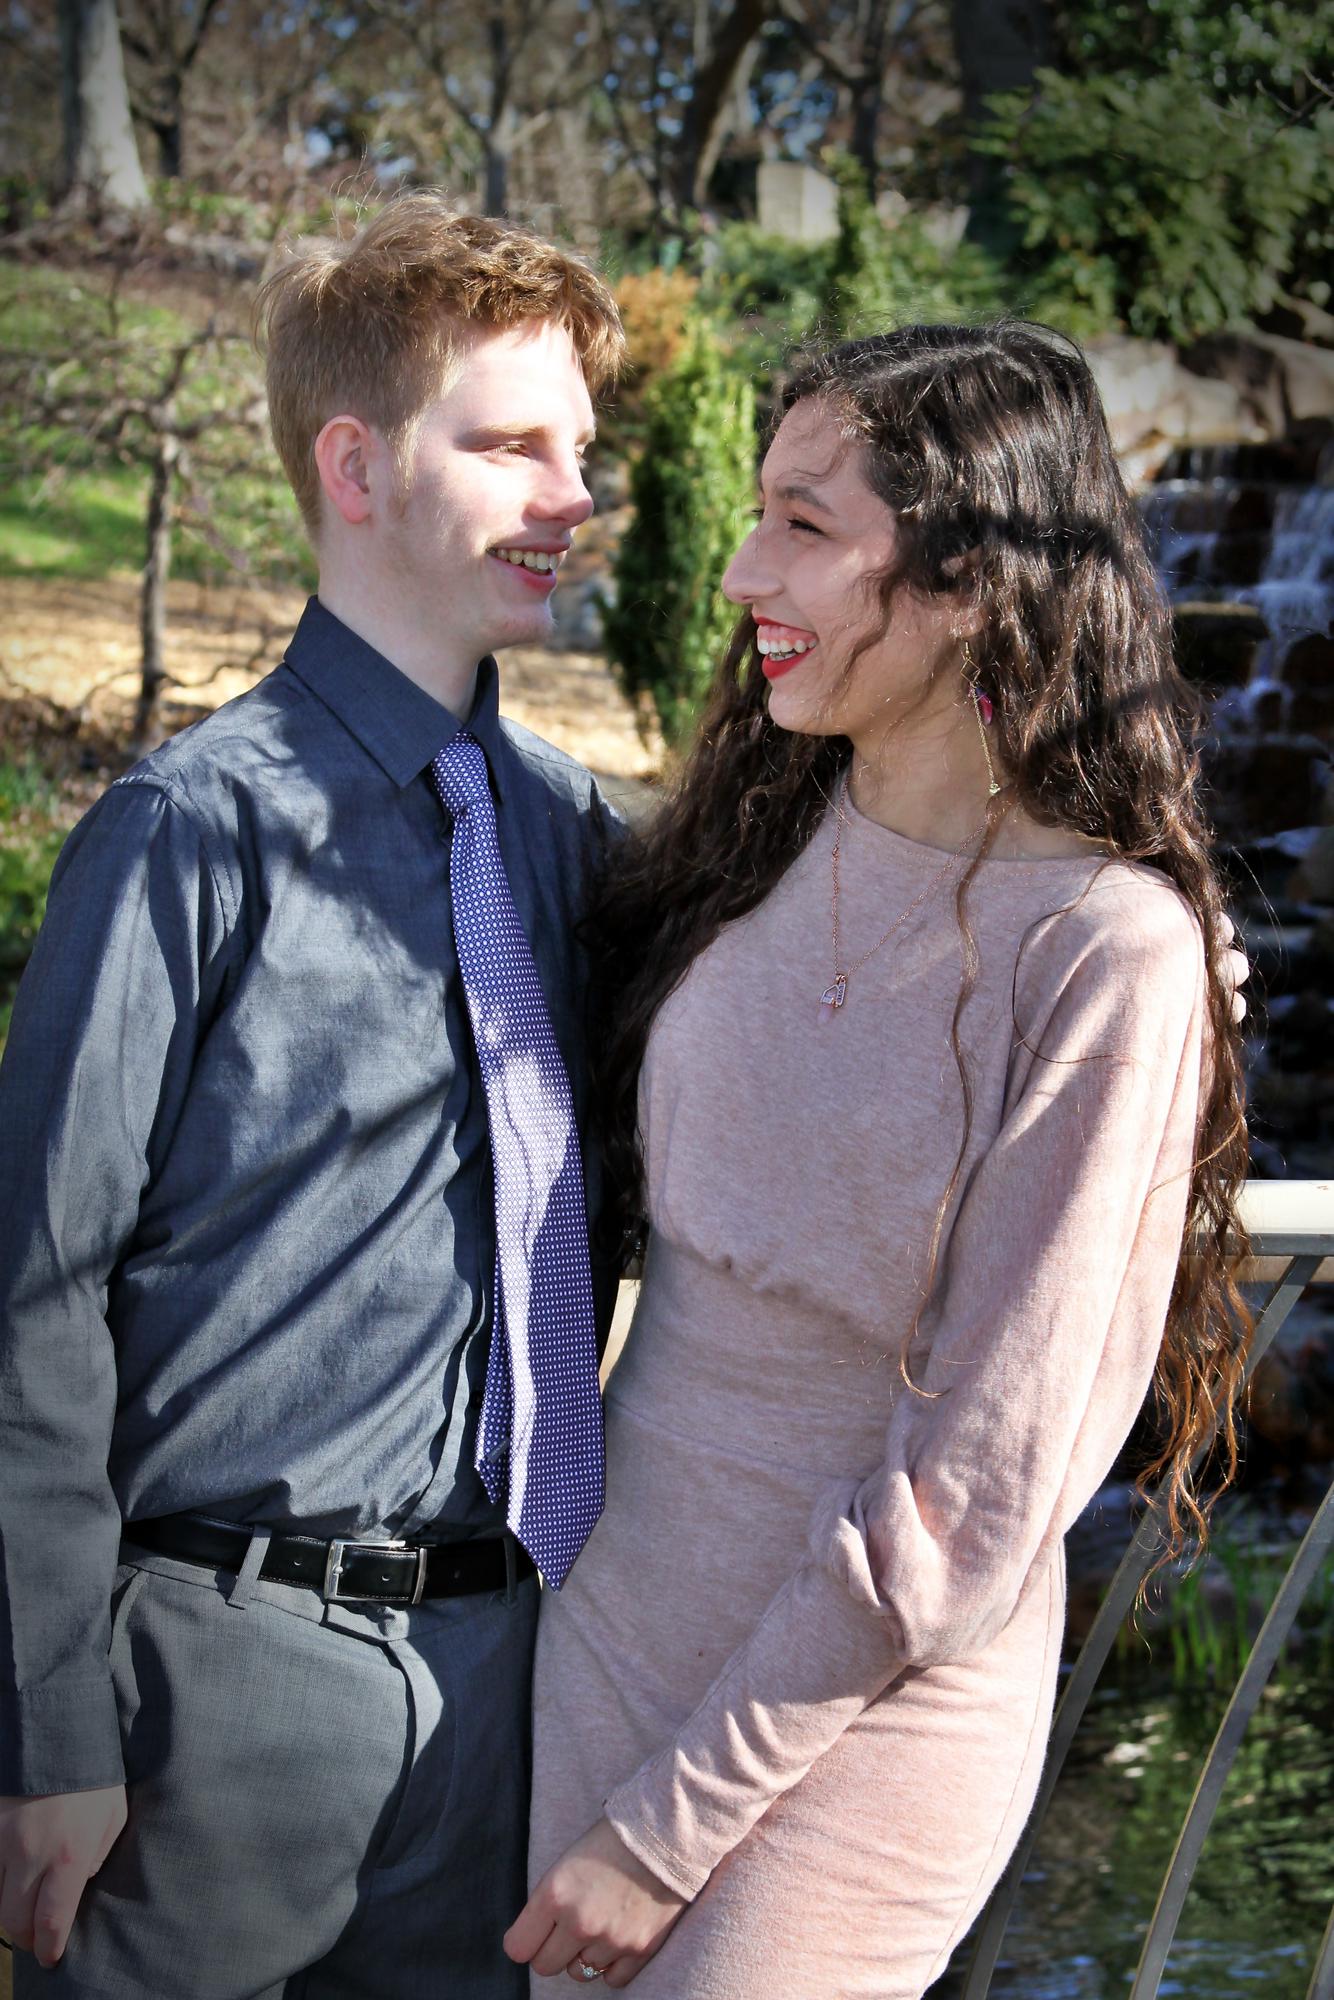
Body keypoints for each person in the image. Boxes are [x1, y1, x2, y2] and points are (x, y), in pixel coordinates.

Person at [506, 321, 1253, 1997]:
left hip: (849, 1728)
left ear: (972, 577)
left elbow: (979, 1491)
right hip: (612, 1634)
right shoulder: (751, 838)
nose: (734, 572)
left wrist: (673, 1821)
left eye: (800, 525)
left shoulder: (1107, 954)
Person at [0, 194, 626, 1998]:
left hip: (509, 1696)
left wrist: (1116, 928)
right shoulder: (185, 834)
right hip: (213, 1694)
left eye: (578, 447)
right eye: (510, 443)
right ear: (354, 466)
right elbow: (31, 1295)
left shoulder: (582, 842)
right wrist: (47, 1732)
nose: (569, 495)